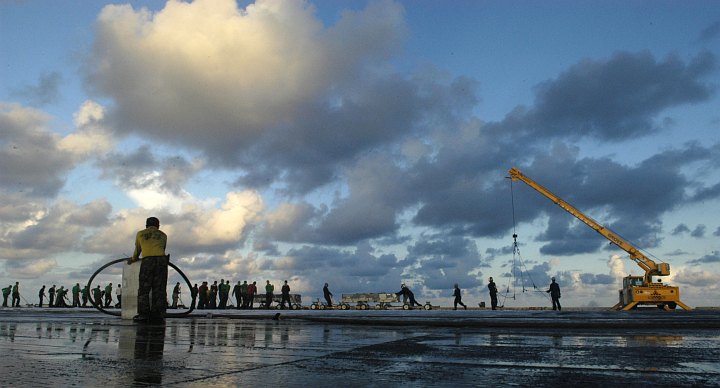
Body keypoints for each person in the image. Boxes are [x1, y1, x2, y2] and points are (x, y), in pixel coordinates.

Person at [127, 216, 168, 322]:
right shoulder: (163, 235)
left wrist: (133, 259)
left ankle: (144, 314)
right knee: (159, 289)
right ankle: (158, 315)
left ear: (146, 225)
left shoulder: (140, 234)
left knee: (144, 288)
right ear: (158, 226)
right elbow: (162, 248)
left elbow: (137, 249)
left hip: (148, 261)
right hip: (161, 261)